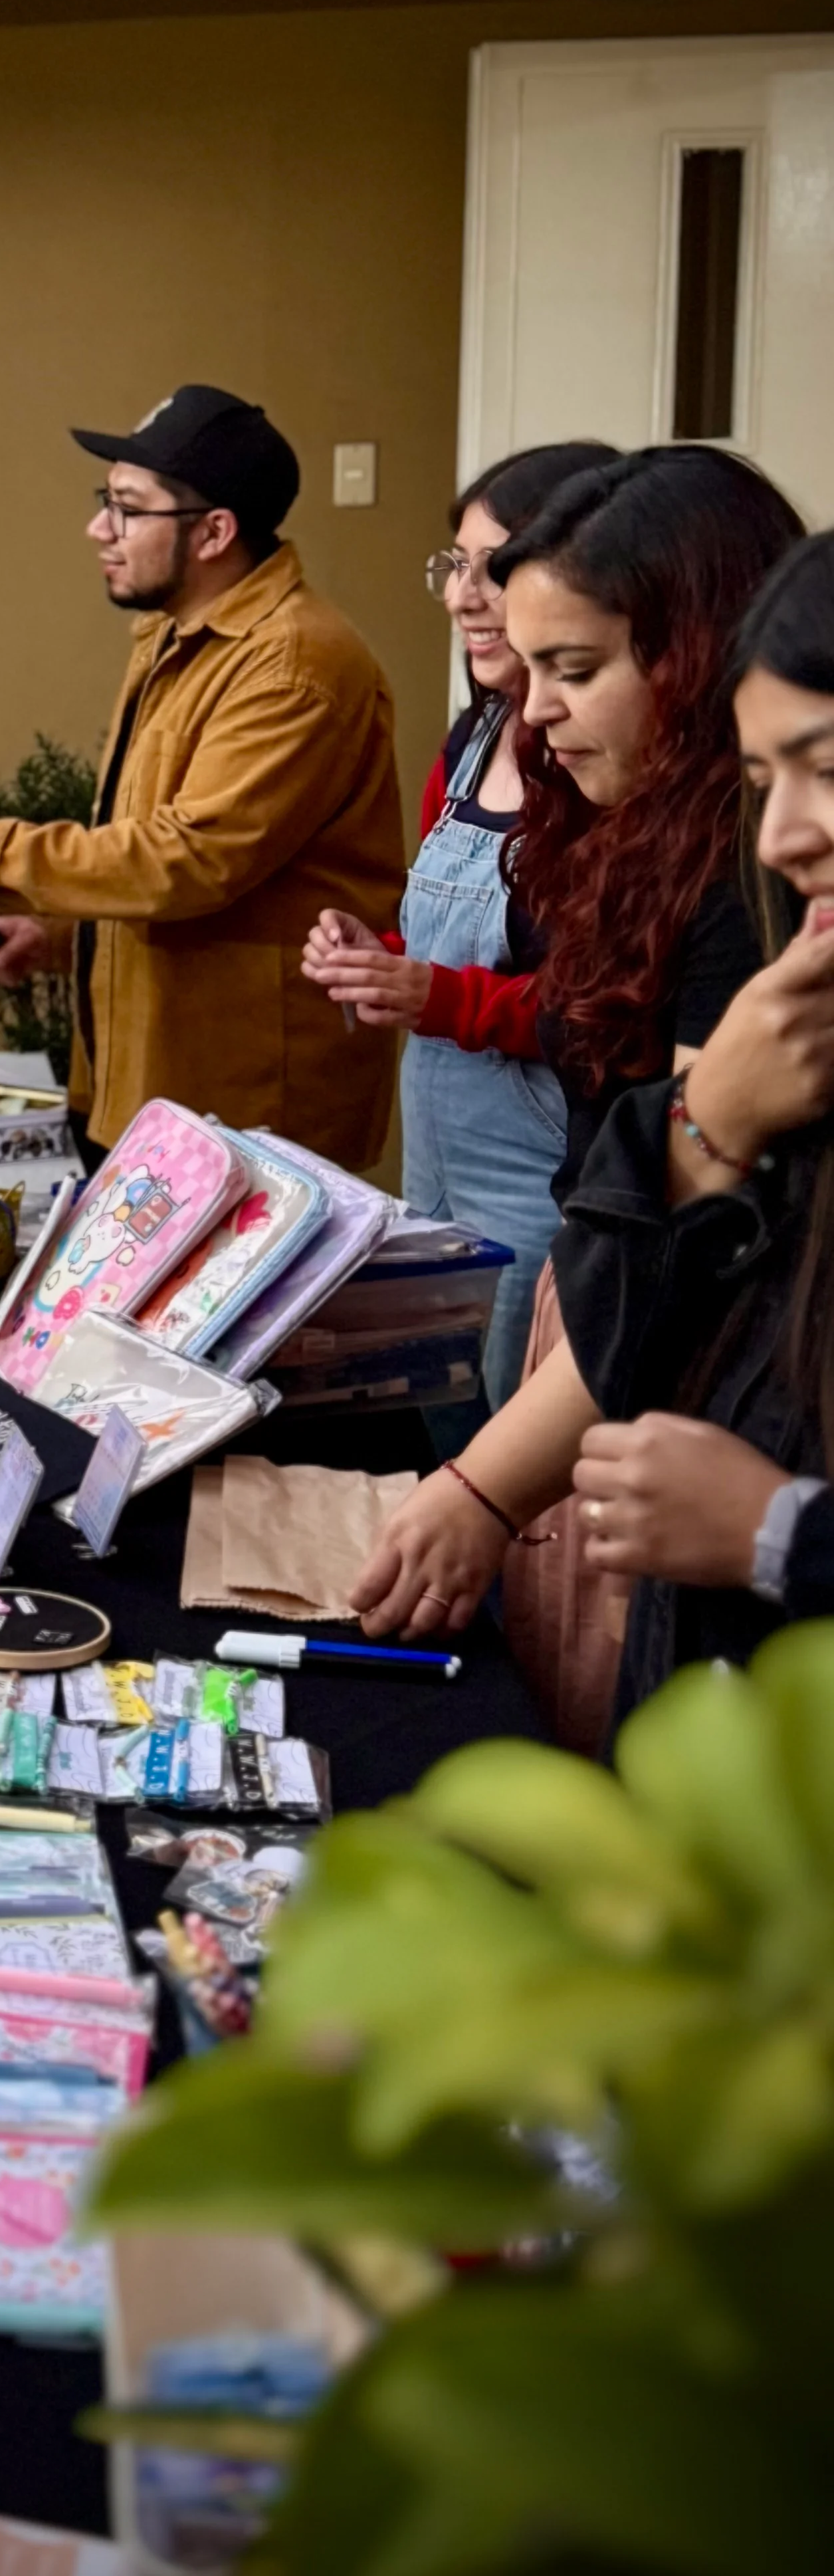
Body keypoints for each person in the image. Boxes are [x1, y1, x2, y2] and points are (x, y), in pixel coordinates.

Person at [348, 447, 807, 1722]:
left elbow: (689, 1231)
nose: (534, 713)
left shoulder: (740, 887)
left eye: (574, 670)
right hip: (598, 1317)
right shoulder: (639, 831)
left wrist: (486, 1490)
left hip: (667, 1376)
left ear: (695, 654)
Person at [0, 386, 403, 1171]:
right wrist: (63, 936)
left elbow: (188, 861)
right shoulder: (175, 635)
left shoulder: (294, 663)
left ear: (214, 532)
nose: (99, 528)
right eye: (106, 501)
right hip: (154, 1092)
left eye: (127, 507)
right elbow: (159, 859)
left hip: (247, 1120)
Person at [547, 530, 834, 1700]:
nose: (780, 839)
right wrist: (705, 1125)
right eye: (762, 785)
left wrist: (779, 1532)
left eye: (823, 769)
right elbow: (618, 1354)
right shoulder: (791, 1058)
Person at [300, 438, 619, 1421]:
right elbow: (436, 943)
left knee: (506, 1442)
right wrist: (377, 961)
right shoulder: (471, 735)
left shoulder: (598, 758)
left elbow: (601, 1005)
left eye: (497, 566)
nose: (464, 596)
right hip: (431, 1153)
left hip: (535, 1175)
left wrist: (434, 998)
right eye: (455, 566)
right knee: (436, 1418)